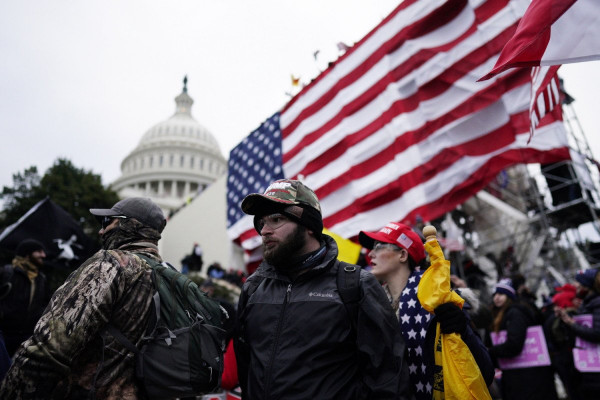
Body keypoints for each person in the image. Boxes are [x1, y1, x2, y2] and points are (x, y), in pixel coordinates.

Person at [234, 179, 411, 400]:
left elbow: (388, 377)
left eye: (276, 219)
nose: (265, 231)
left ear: (308, 225)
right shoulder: (253, 288)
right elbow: (246, 368)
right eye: (261, 223)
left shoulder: (355, 284)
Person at [0, 197, 167, 399]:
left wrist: (10, 391)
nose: (101, 231)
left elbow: (50, 347)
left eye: (107, 223)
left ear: (127, 225)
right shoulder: (167, 276)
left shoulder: (108, 265)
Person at [358, 223, 494, 399]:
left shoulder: (439, 300)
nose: (370, 254)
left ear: (402, 255)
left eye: (379, 247)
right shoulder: (371, 308)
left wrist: (463, 332)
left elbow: (485, 372)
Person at [487, 278, 558, 400]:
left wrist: (489, 352)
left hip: (528, 376)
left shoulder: (515, 313)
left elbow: (515, 345)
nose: (497, 298)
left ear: (509, 296)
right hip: (521, 374)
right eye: (495, 294)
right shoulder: (502, 314)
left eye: (501, 294)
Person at [0, 238, 50, 357]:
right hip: (4, 334)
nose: (43, 255)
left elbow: (46, 304)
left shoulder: (41, 279)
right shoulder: (6, 273)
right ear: (27, 255)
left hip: (27, 337)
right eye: (39, 251)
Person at [556, 268, 600, 398]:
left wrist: (572, 324)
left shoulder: (596, 304)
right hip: (590, 368)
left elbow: (597, 333)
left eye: (578, 283)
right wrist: (566, 319)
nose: (575, 286)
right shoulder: (587, 304)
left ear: (587, 285)